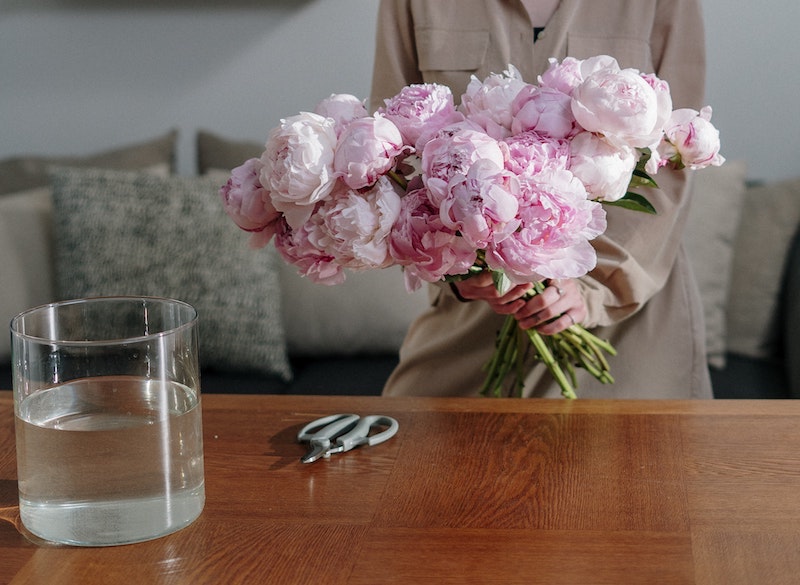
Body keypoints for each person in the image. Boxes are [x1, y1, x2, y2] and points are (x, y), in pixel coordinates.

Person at [370, 0, 713, 399]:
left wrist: (592, 291)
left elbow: (675, 160)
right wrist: (461, 273)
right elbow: (390, 153)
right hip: (474, 318)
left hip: (628, 325)